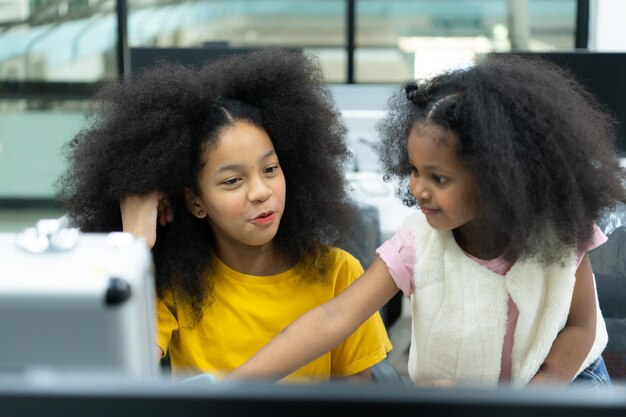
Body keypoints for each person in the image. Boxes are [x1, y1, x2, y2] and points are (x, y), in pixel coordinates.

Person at [227, 54, 626, 388]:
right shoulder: (416, 244)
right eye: (414, 170)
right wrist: (235, 387)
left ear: (498, 178)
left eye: (438, 178)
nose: (417, 188)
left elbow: (581, 326)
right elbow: (334, 318)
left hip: (568, 384)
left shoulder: (561, 231)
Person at [55, 49, 392, 383]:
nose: (261, 191)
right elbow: (116, 375)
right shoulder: (172, 286)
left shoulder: (338, 272)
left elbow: (355, 398)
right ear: (195, 201)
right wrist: (135, 245)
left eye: (270, 169)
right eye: (233, 181)